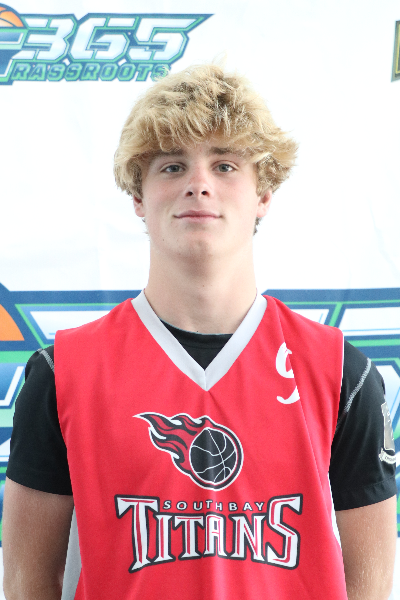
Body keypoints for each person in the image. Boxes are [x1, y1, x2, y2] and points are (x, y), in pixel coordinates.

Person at [2, 64, 397, 600]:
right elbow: (26, 582)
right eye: (172, 166)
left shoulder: (341, 374)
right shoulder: (62, 373)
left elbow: (372, 585)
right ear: (138, 197)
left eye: (225, 165)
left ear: (263, 194)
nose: (199, 184)